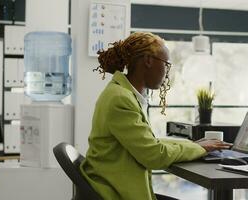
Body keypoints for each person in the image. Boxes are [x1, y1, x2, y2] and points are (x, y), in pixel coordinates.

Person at [80, 32, 231, 200]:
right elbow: (154, 156)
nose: (167, 72)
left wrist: (194, 145)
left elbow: (150, 144)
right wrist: (199, 148)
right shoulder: (120, 99)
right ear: (148, 61)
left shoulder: (121, 93)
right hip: (114, 193)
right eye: (166, 64)